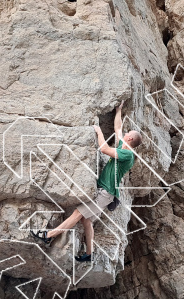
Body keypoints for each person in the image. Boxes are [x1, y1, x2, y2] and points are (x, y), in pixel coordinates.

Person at [31, 101, 142, 262]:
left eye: (127, 133)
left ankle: (48, 235)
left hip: (106, 192)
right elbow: (118, 128)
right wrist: (119, 110)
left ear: (130, 138)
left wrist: (99, 133)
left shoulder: (128, 155)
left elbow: (104, 149)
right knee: (86, 219)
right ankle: (89, 254)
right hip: (106, 192)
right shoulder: (122, 147)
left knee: (77, 214)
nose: (124, 134)